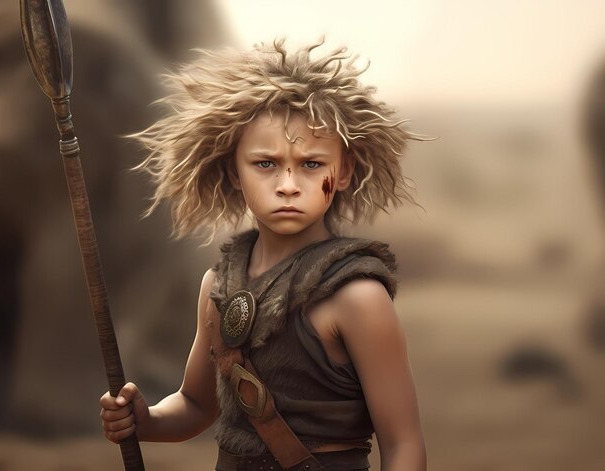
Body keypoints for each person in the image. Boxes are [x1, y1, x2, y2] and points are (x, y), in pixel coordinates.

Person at [100, 39, 427, 471]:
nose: (288, 184)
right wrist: (146, 420)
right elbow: (197, 405)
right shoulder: (219, 285)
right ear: (234, 170)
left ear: (343, 171)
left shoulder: (358, 297)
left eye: (311, 164)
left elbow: (403, 445)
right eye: (266, 163)